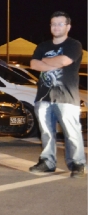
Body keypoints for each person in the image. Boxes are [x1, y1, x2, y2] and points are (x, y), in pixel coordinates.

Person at [29, 11, 85, 178]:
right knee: (46, 132)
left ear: (68, 26)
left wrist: (44, 62)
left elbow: (64, 61)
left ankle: (77, 164)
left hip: (66, 97)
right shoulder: (43, 46)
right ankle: (47, 162)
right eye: (53, 24)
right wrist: (54, 63)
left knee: (71, 132)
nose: (56, 27)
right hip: (43, 97)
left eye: (60, 24)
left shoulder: (74, 45)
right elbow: (33, 64)